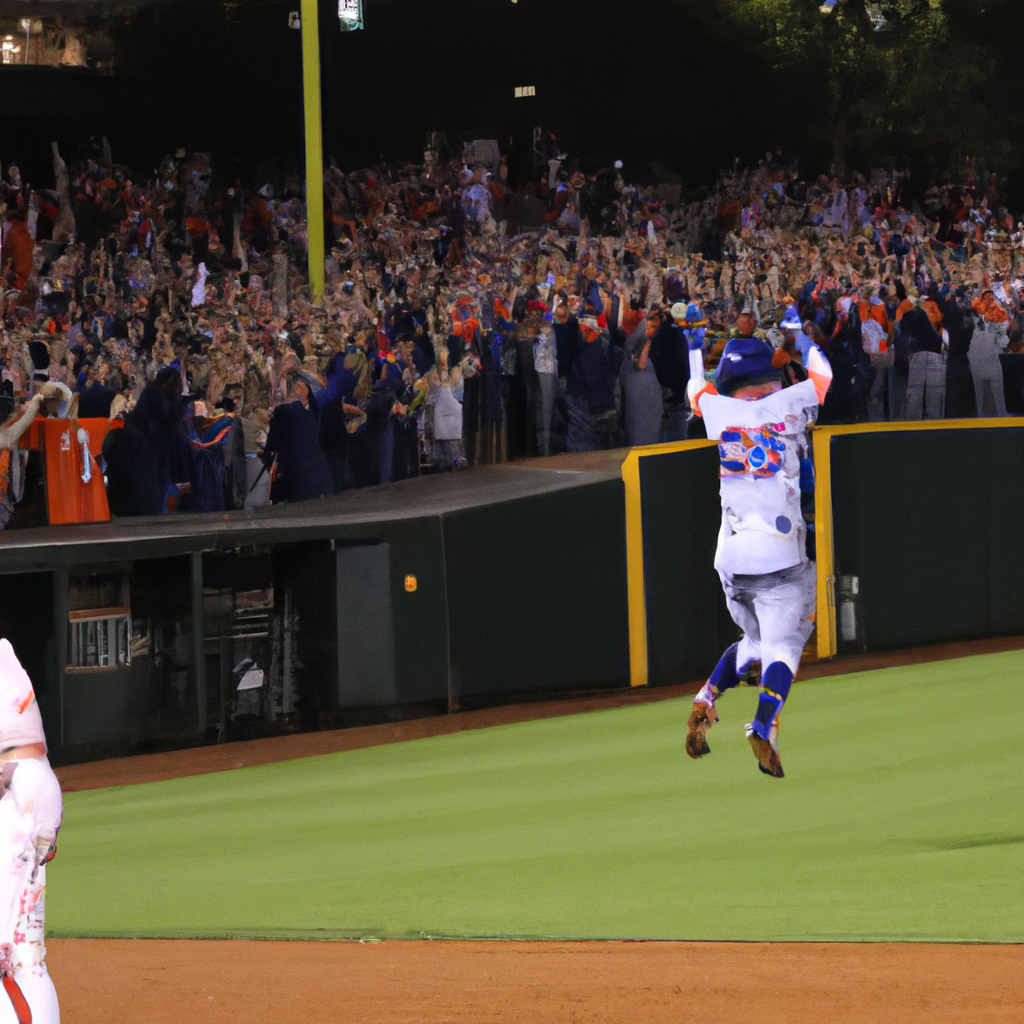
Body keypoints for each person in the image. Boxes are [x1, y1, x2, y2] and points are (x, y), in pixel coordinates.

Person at [684, 335, 830, 777]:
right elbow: (823, 376)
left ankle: (707, 696)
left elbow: (695, 388)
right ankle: (763, 725)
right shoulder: (789, 404)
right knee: (785, 645)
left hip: (730, 558)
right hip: (778, 556)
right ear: (772, 378)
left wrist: (695, 350)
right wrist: (802, 338)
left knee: (757, 643)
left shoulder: (719, 409)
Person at [0, 639, 63, 1024]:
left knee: (7, 954)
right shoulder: (5, 655)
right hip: (34, 784)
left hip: (22, 789)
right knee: (27, 956)